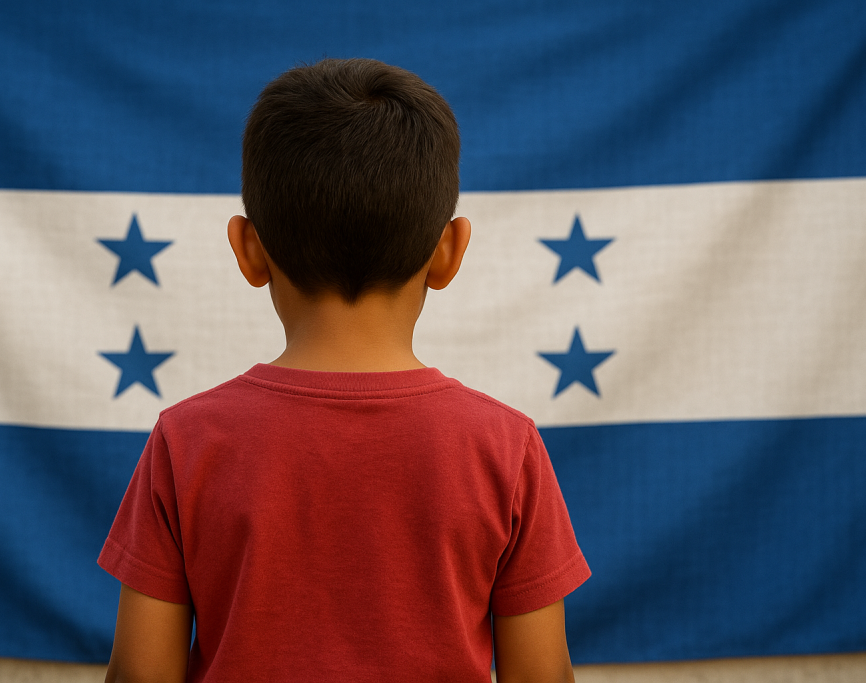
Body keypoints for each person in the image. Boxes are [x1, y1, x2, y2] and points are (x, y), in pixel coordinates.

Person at [99, 58, 590, 683]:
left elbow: (140, 676)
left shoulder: (185, 440)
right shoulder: (507, 447)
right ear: (450, 251)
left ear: (248, 249)